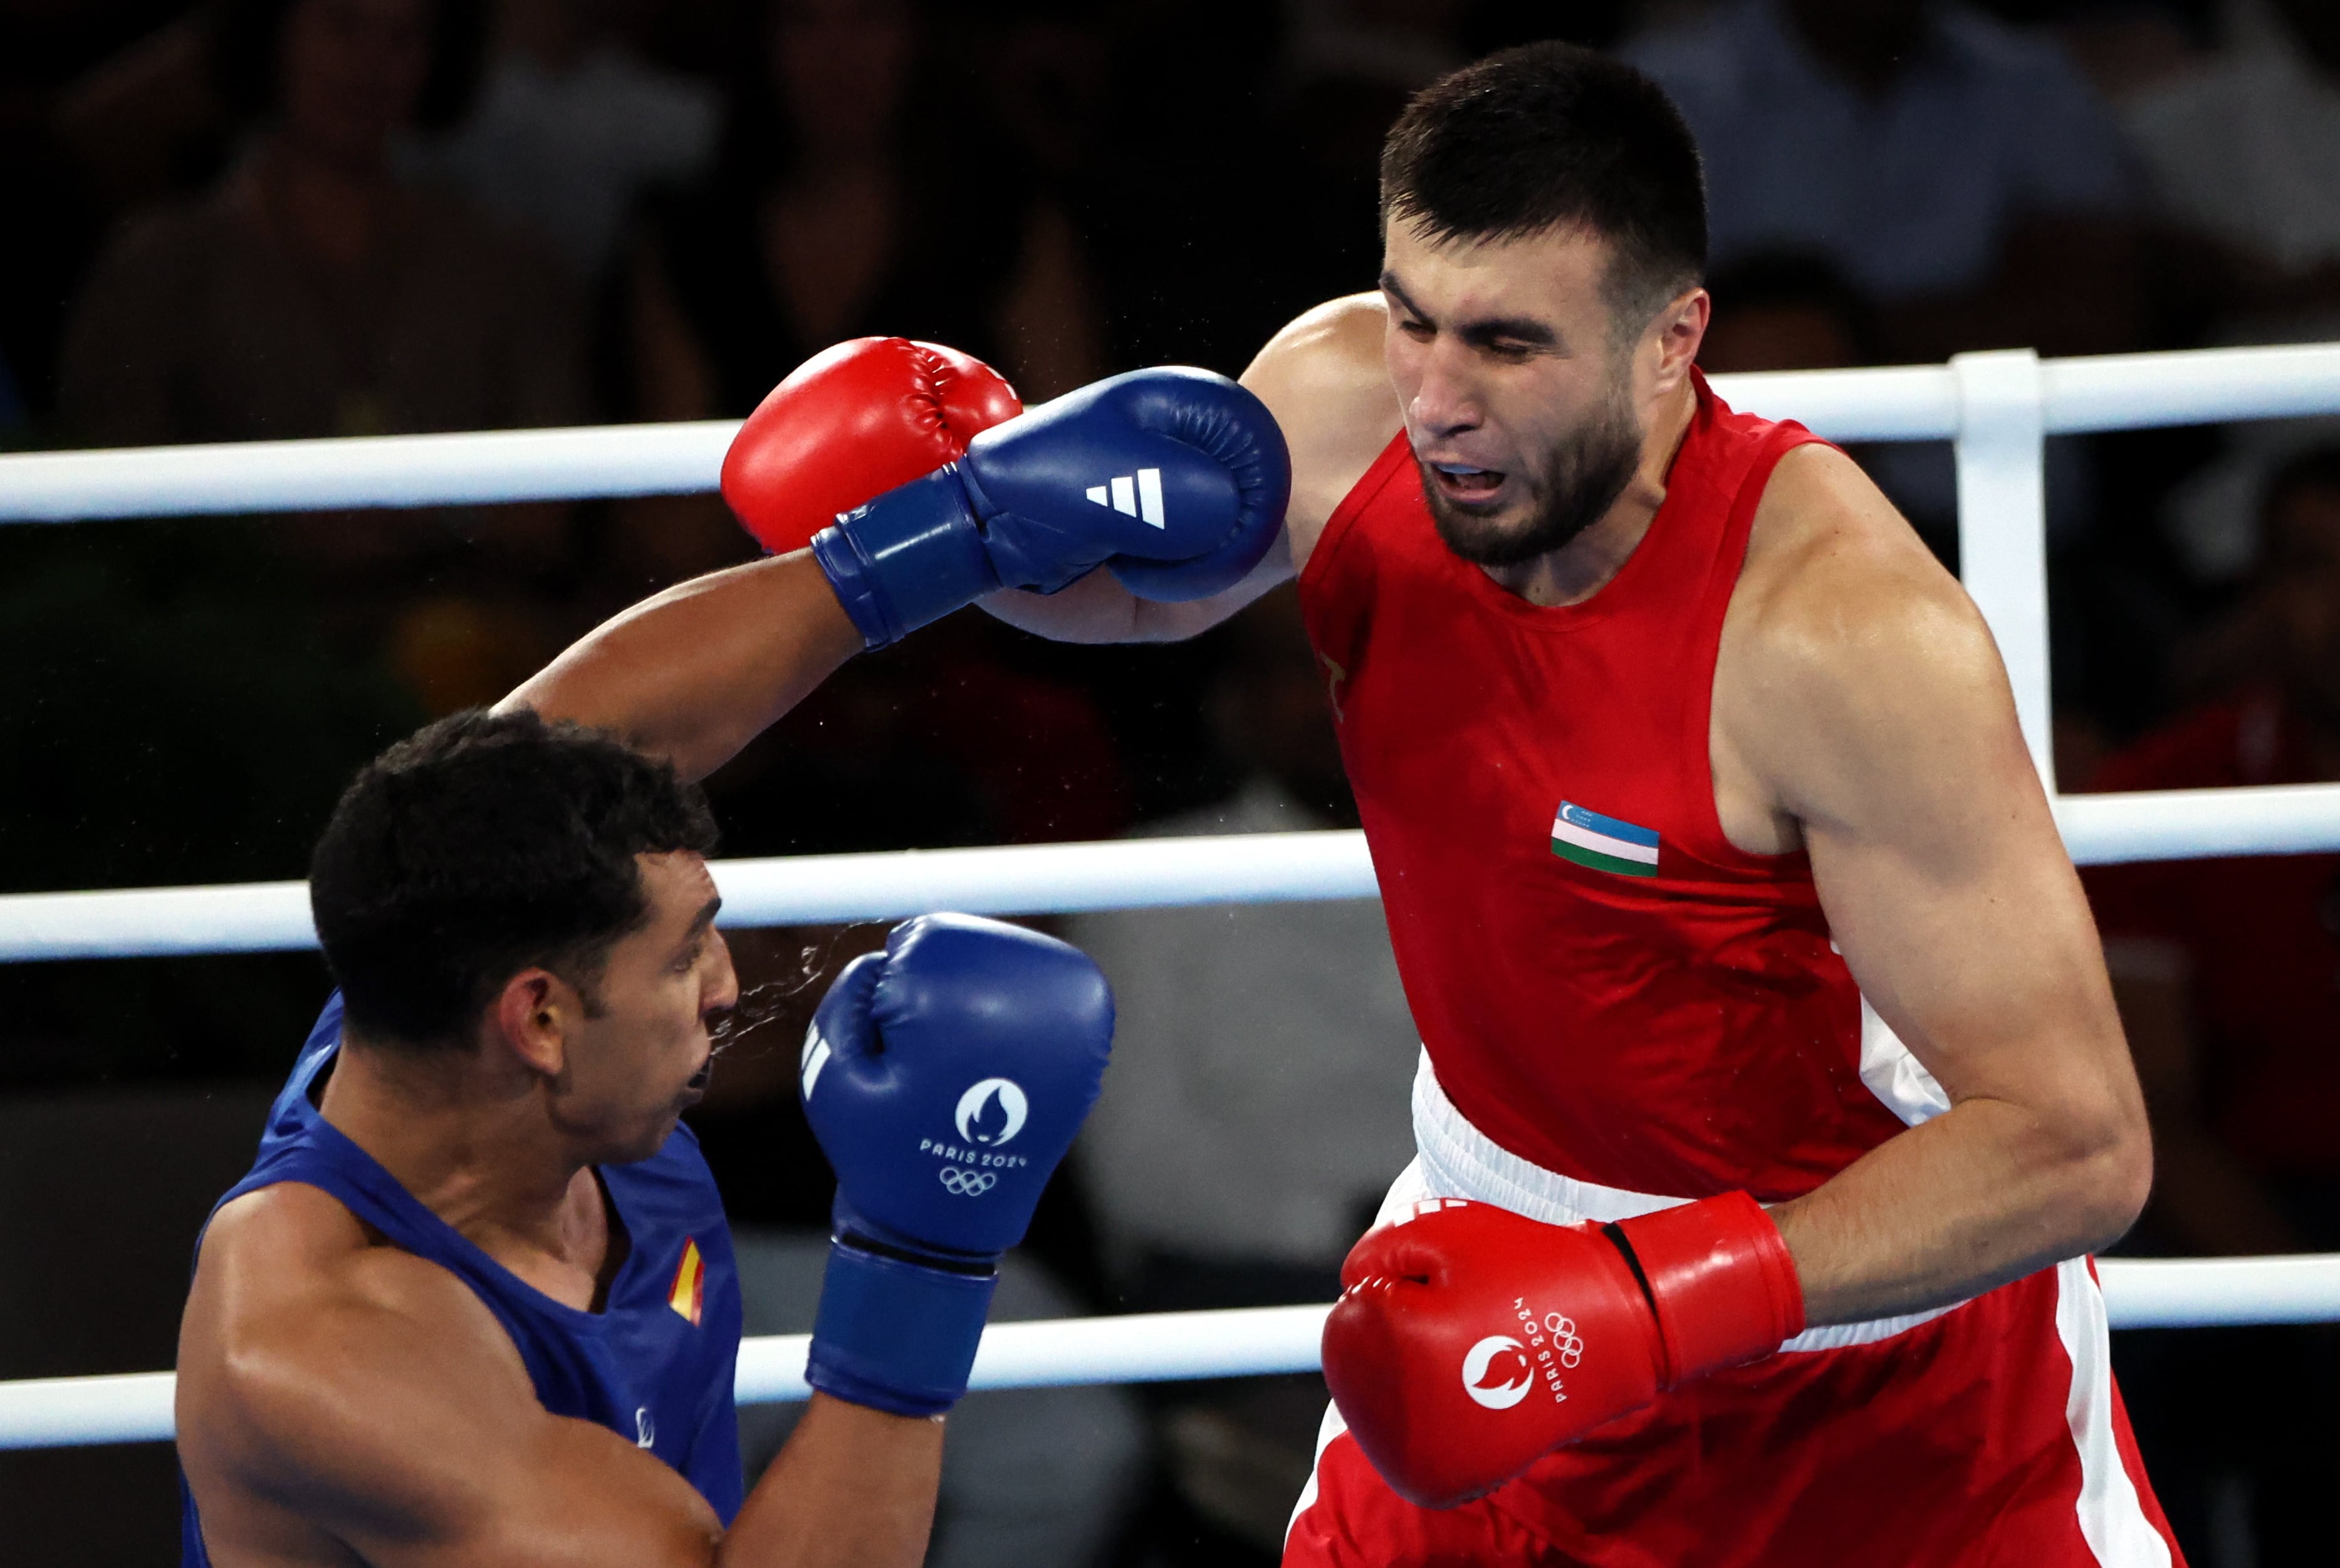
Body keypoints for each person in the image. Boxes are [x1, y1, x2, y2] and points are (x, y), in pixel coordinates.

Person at [978, 43, 2176, 1565]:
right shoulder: (1348, 408)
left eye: (1507, 345)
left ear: (1673, 338)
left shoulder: (1841, 638)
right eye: (1413, 318)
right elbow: (1137, 606)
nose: (1439, 401)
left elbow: (2078, 1146)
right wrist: (956, 520)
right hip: (1479, 1297)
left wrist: (1646, 1299)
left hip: (1865, 1387)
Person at [174, 319, 1290, 1564]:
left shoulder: (437, 966)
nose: (730, 989)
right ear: (539, 1021)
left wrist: (962, 532)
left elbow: (580, 739)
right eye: (688, 955)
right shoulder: (331, 1354)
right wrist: (923, 1259)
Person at [2076, 444, 2340, 1561]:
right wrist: (2310, 1298)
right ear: (2260, 592)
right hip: (2255, 1210)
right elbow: (2155, 1118)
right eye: (2308, 564)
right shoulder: (2157, 795)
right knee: (2115, 1336)